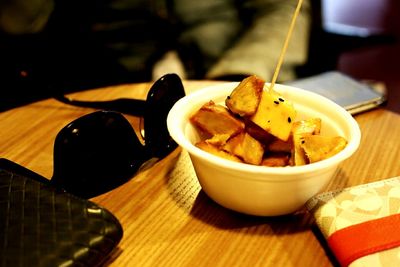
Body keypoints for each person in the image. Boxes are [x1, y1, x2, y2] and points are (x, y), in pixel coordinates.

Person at [0, 0, 311, 110]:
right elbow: (21, 22)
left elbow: (282, 9)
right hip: (109, 87)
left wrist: (238, 78)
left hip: (227, 72)